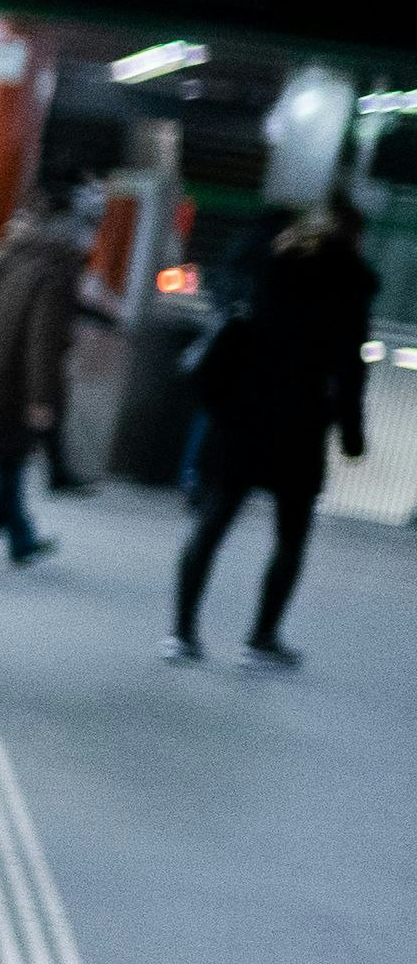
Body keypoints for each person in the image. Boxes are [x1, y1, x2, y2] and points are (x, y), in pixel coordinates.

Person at [173, 196, 378, 666]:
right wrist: (352, 433)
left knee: (214, 520)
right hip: (300, 421)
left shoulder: (271, 263)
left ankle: (182, 633)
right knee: (291, 534)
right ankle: (261, 638)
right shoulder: (349, 285)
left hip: (243, 413)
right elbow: (350, 369)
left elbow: (238, 329)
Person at [0, 179, 95, 565]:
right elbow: (43, 341)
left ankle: (21, 539)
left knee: (7, 462)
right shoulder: (55, 271)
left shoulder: (7, 255)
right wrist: (42, 399)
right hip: (6, 386)